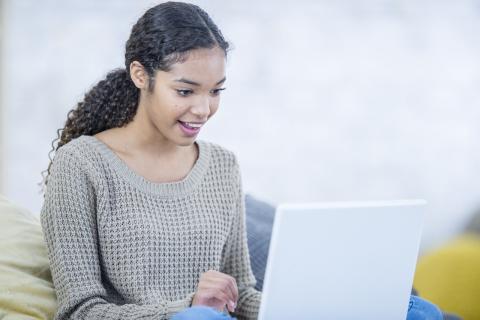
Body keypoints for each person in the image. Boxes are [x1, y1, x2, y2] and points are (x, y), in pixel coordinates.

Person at [40, 2, 444, 319]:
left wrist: (293, 308)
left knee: (417, 311)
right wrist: (185, 307)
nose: (203, 109)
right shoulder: (82, 165)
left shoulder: (221, 165)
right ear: (140, 75)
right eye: (185, 91)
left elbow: (242, 293)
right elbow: (80, 310)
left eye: (216, 91)